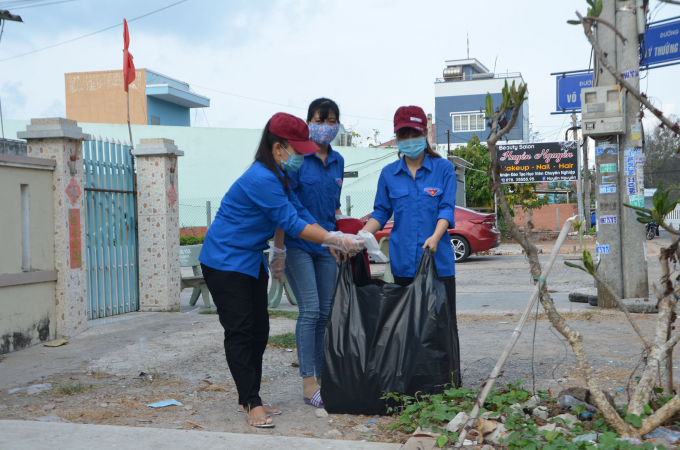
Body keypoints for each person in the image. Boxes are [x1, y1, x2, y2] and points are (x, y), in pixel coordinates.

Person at [199, 112, 365, 428]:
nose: (303, 156)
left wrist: (333, 238)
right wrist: (334, 238)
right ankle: (250, 402)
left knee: (259, 330)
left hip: (248, 261)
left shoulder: (280, 177)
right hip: (224, 261)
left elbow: (299, 211)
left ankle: (248, 396)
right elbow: (290, 223)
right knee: (241, 331)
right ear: (278, 148)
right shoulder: (261, 178)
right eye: (298, 150)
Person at [360, 105, 461, 387]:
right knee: (409, 325)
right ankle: (414, 383)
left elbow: (446, 209)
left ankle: (448, 383)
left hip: (438, 263)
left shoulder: (443, 169)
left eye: (413, 133)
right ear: (397, 138)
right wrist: (360, 236)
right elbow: (380, 213)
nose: (408, 139)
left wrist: (435, 236)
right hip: (404, 263)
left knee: (443, 324)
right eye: (402, 134)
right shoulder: (389, 174)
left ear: (424, 134)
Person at [278, 98, 344, 408]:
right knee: (311, 310)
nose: (327, 127)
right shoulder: (297, 159)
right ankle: (308, 384)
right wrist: (278, 247)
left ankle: (322, 378)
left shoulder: (339, 161)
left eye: (333, 121)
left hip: (326, 247)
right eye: (322, 120)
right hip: (298, 245)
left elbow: (333, 207)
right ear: (309, 122)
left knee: (326, 313)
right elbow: (285, 206)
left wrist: (341, 239)